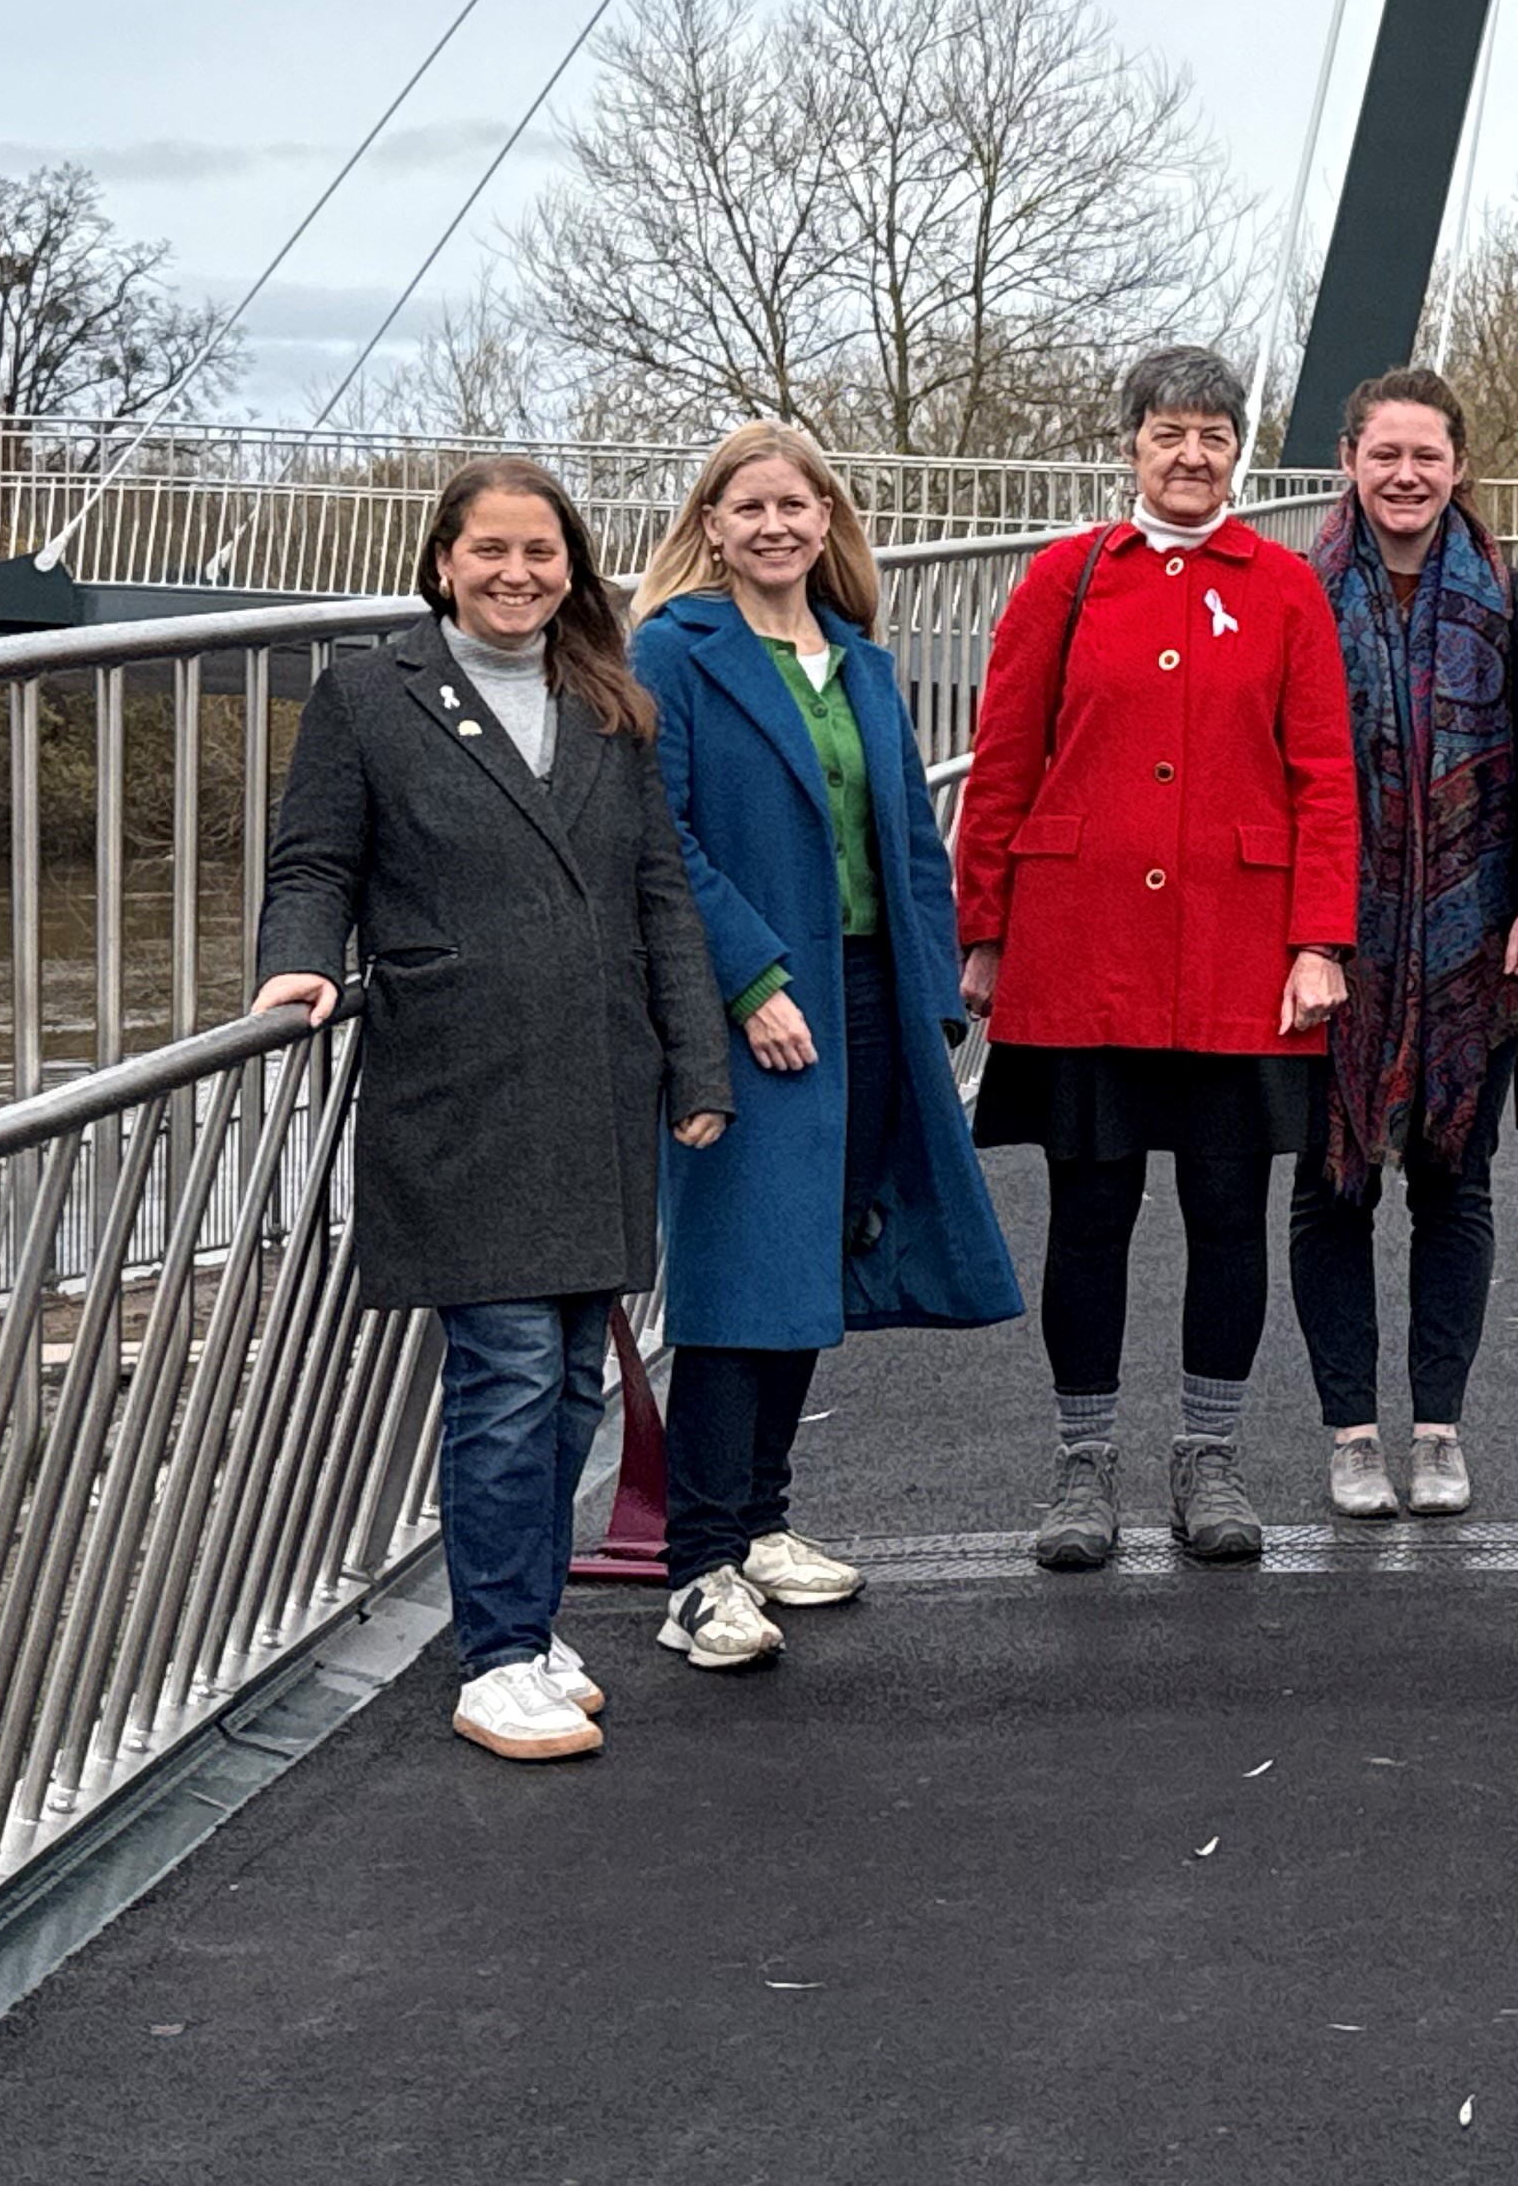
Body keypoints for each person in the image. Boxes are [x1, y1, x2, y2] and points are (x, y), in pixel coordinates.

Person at [251, 459, 730, 1764]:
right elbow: (314, 861)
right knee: (509, 1368)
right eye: (492, 552)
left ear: (574, 569)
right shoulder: (370, 695)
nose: (517, 575)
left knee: (573, 1361)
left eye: (542, 555)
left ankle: (528, 1620)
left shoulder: (611, 705)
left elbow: (660, 896)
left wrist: (696, 1068)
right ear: (444, 560)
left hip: (595, 1071)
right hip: (460, 1074)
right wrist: (294, 957)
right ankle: (498, 1653)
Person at [627, 421, 1028, 1674]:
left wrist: (937, 990)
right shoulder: (674, 652)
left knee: (811, 1258)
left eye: (795, 506)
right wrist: (749, 981)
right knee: (737, 1267)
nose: (773, 527)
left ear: (827, 521)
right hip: (756, 994)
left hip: (866, 993)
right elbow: (663, 837)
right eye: (747, 507)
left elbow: (910, 832)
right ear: (710, 523)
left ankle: (761, 1521)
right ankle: (696, 1567)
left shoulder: (856, 661)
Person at [953, 346, 1359, 1573]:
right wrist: (984, 934)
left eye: (1215, 435)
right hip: (1086, 950)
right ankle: (1084, 1463)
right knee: (1090, 1211)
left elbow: (1324, 777)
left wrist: (1319, 940)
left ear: (1240, 451)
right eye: (1169, 433)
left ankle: (1210, 1455)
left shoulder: (1286, 587)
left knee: (1230, 1213)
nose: (1193, 456)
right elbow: (1004, 761)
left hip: (1240, 952)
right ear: (1129, 444)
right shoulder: (1063, 580)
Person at [1294, 369, 1518, 1520]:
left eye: (1428, 456)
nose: (1407, 476)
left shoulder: (1509, 592)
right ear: (1350, 459)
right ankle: (1354, 1431)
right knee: (1329, 1187)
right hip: (1329, 939)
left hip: (1475, 931)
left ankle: (1439, 1428)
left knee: (1457, 1182)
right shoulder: (1295, 594)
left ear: (1460, 465)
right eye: (1385, 454)